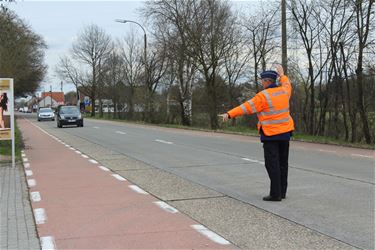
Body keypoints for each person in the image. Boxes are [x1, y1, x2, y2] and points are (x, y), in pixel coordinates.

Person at [219, 64, 294, 201]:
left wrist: (229, 114)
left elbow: (245, 107)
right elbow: (287, 84)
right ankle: (282, 192)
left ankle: (275, 194)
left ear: (267, 81)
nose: (261, 82)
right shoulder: (284, 92)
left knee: (272, 164)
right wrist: (282, 74)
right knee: (283, 163)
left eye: (262, 80)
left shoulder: (263, 96)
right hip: (285, 134)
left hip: (271, 135)